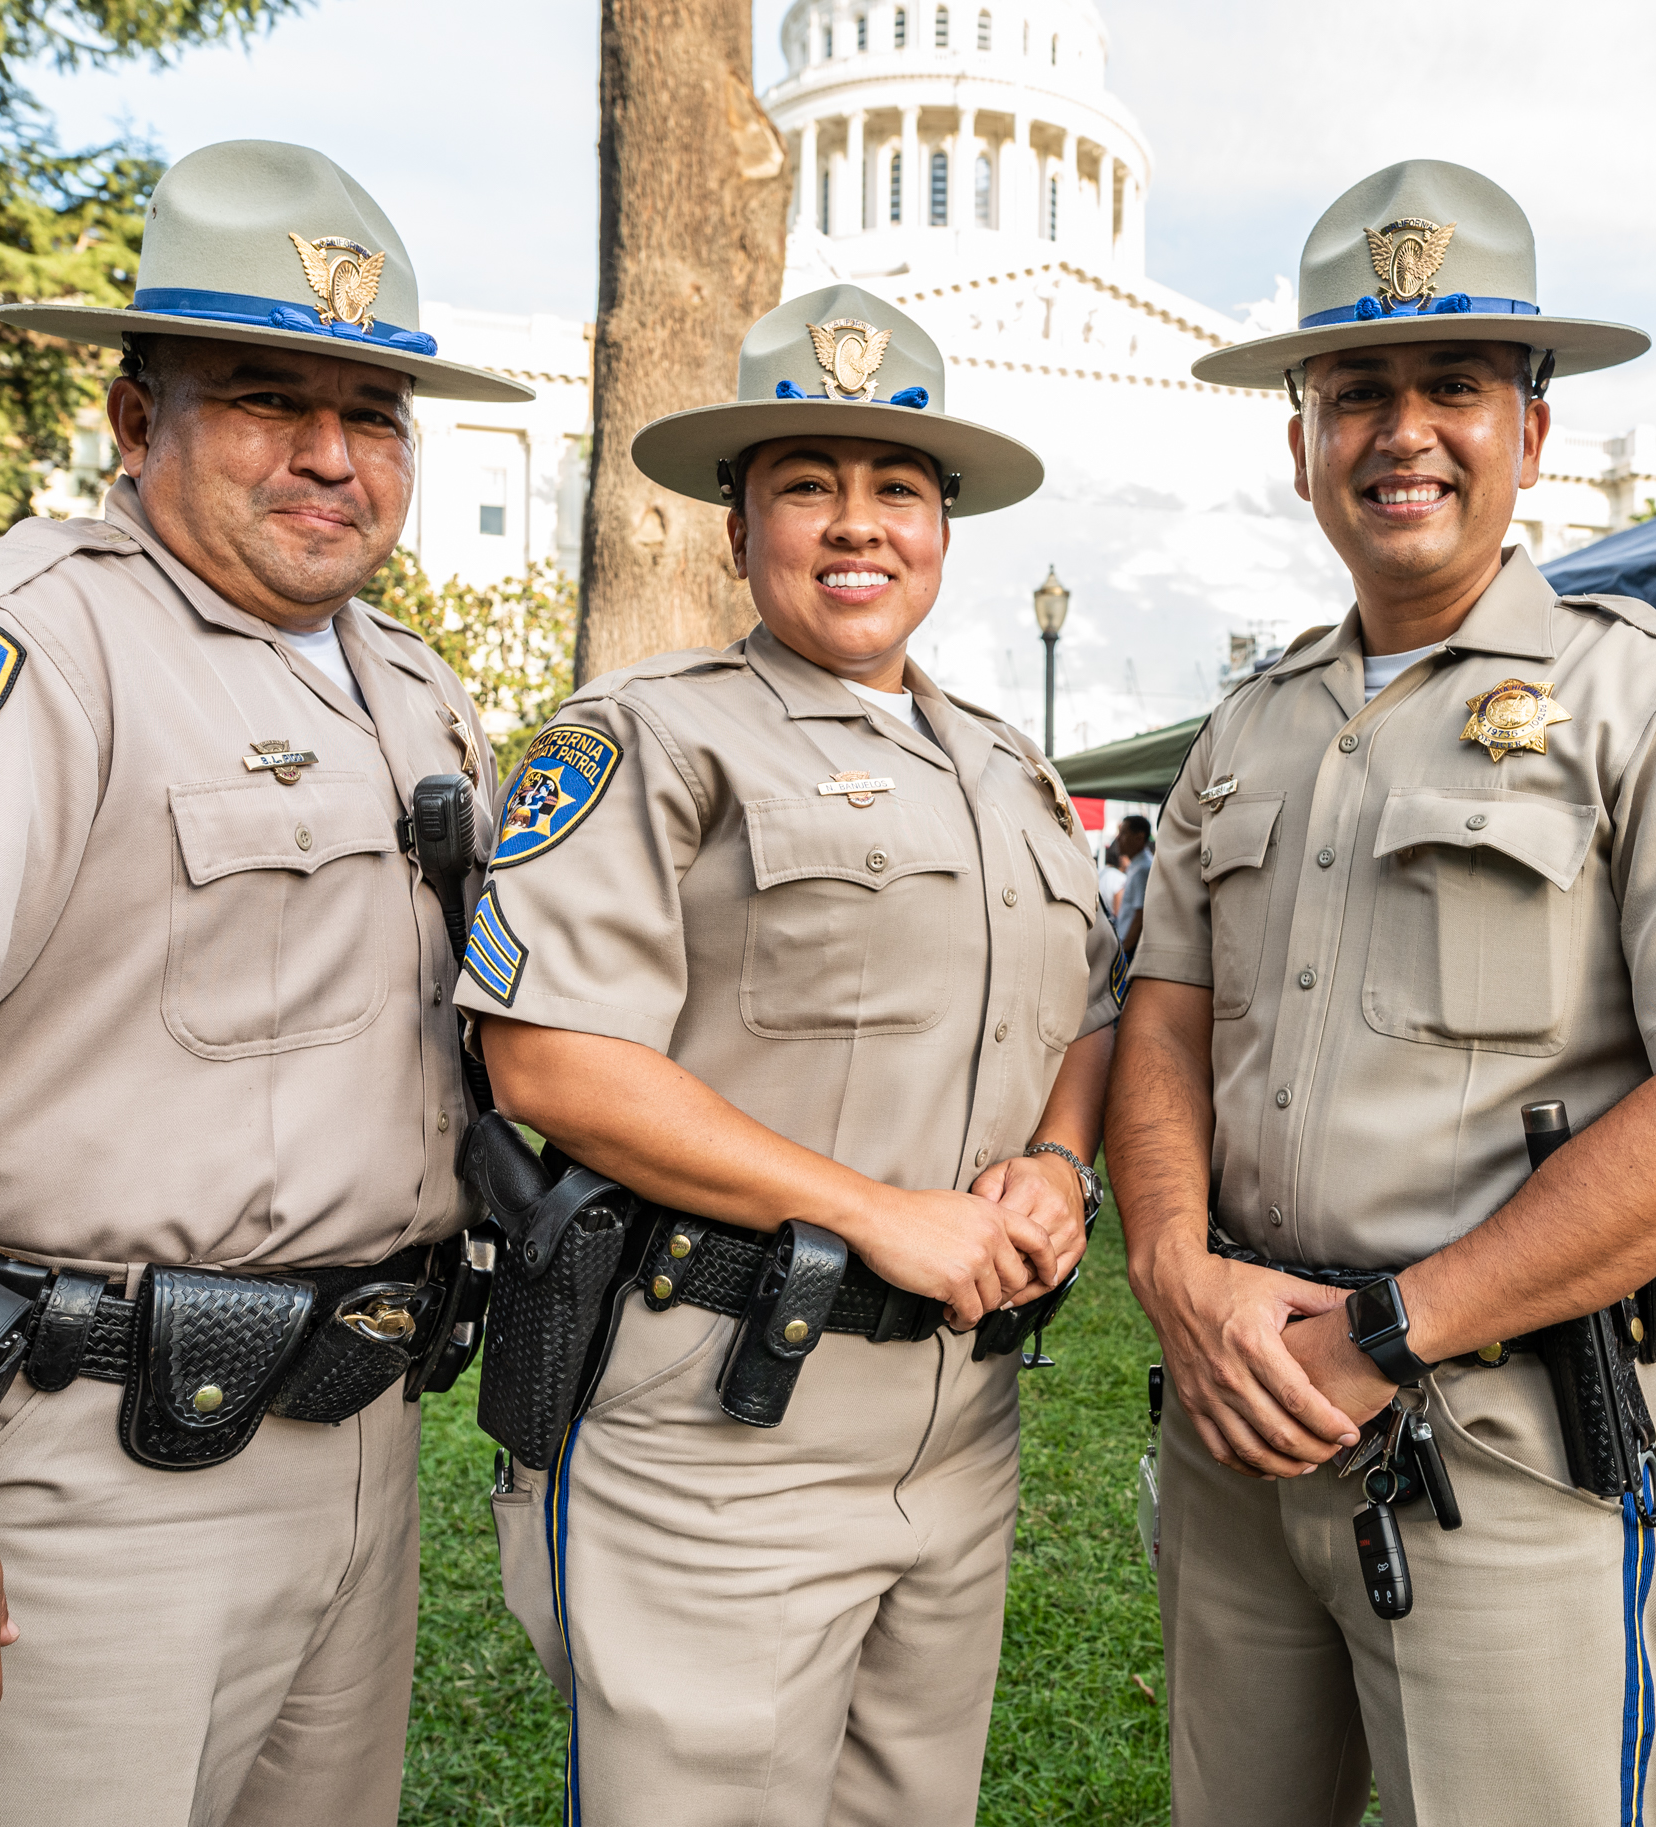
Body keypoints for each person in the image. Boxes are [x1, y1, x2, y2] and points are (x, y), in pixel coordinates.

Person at [0, 140, 520, 1824]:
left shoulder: (415, 692)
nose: (328, 453)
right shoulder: (7, 652)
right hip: (62, 1478)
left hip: (356, 1450)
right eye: (264, 397)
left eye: (372, 413)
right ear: (135, 421)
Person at [1107, 159, 1656, 1827]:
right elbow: (1161, 1019)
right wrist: (1170, 1264)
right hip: (1239, 1423)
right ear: (1299, 439)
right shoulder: (1244, 727)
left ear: (1529, 433)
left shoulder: (1648, 705)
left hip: (1502, 1440)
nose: (1402, 431)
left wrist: (1397, 1328)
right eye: (1355, 391)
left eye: (1451, 386)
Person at [462, 284, 1118, 1825]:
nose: (855, 524)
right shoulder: (647, 738)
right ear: (734, 526)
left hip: (959, 1422)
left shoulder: (1015, 773)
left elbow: (1085, 1003)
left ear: (944, 529)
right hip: (720, 1417)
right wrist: (873, 1206)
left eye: (896, 487)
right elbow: (547, 1062)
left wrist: (1061, 1157)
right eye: (806, 485)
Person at [1113, 812, 1153, 955]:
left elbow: (1141, 914)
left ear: (1139, 838)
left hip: (1131, 948)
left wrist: (1125, 950)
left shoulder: (1142, 869)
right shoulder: (1137, 865)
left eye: (1123, 833)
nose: (1118, 839)